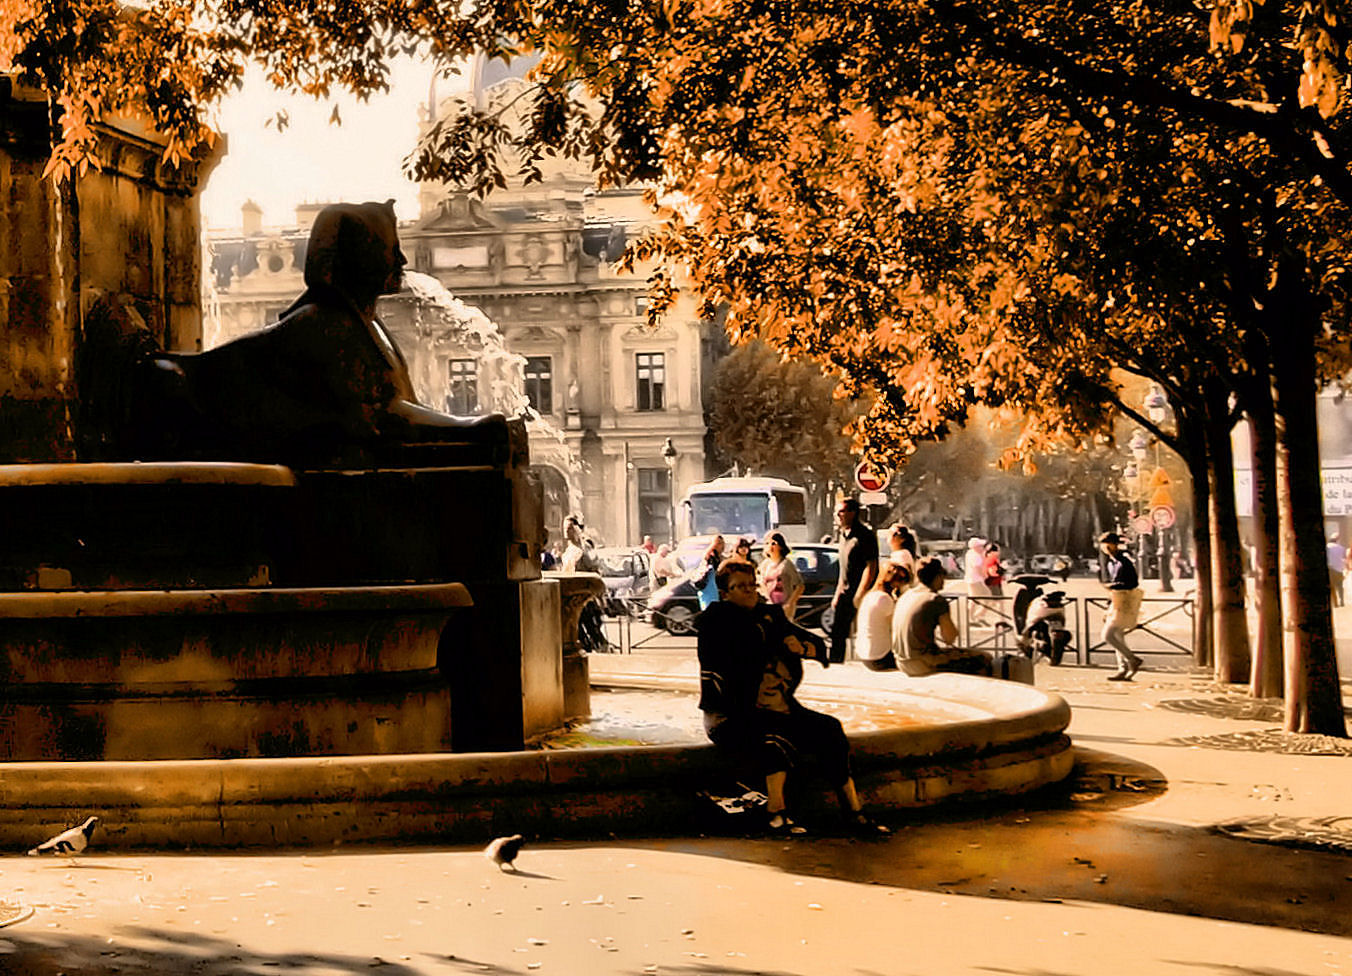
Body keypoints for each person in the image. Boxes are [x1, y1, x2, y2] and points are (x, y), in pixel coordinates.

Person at [697, 561, 888, 836]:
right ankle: (776, 815)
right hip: (731, 714)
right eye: (740, 587)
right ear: (725, 593)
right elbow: (740, 651)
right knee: (774, 740)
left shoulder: (770, 615)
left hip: (776, 708)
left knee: (830, 729)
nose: (749, 591)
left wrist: (804, 647)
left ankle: (854, 811)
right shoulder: (715, 621)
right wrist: (777, 642)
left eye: (752, 584)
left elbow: (812, 644)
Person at [893, 557, 994, 676]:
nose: (944, 580)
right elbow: (949, 638)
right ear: (937, 576)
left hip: (900, 661)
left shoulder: (906, 595)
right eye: (943, 575)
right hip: (922, 663)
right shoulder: (935, 599)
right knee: (984, 658)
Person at [829, 498, 879, 663]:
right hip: (844, 592)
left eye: (841, 511)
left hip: (860, 593)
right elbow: (843, 569)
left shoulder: (864, 536)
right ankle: (836, 664)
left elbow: (871, 566)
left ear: (852, 513)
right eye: (837, 512)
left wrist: (861, 593)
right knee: (837, 632)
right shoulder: (843, 535)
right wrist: (837, 593)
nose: (838, 515)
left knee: (867, 630)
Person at [1099, 532, 1144, 681]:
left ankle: (1132, 659)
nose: (1106, 548)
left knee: (1108, 635)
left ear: (1115, 544)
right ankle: (1123, 668)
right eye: (1104, 545)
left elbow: (1133, 583)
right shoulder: (1111, 563)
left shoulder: (1124, 562)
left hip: (1125, 602)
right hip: (1116, 602)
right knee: (1118, 636)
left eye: (1109, 544)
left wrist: (1113, 585)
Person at [854, 563, 911, 672]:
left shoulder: (870, 596)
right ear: (896, 584)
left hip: (863, 654)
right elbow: (899, 628)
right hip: (880, 658)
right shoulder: (884, 599)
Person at [757, 532, 806, 621]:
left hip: (784, 608)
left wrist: (790, 603)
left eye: (773, 544)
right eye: (767, 543)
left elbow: (800, 586)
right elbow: (760, 583)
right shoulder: (765, 564)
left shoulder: (786, 564)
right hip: (769, 606)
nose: (770, 546)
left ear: (780, 546)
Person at [693, 535, 726, 610]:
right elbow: (706, 558)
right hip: (709, 585)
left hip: (714, 586)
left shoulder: (719, 556)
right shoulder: (710, 556)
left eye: (722, 543)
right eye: (718, 543)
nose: (721, 546)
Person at [1328, 532, 1346, 608]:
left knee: (1332, 587)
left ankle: (1335, 603)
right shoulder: (1342, 548)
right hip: (1339, 569)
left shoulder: (1327, 547)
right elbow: (1344, 557)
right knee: (1340, 586)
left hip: (1331, 568)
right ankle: (1342, 600)